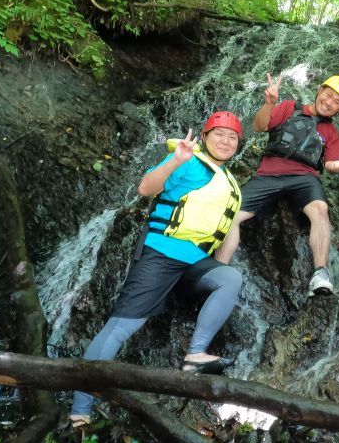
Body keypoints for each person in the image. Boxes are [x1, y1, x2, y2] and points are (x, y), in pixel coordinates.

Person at [70, 111, 246, 426]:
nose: (226, 141)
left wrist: (214, 280)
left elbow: (230, 235)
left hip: (195, 264)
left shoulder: (233, 185)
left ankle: (196, 356)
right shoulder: (189, 161)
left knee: (230, 277)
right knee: (121, 327)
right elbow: (146, 188)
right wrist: (175, 160)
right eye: (219, 134)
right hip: (161, 253)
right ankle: (80, 409)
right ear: (205, 137)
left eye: (232, 137)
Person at [216, 72, 339, 296]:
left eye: (336, 102)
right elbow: (260, 126)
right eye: (327, 95)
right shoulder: (289, 107)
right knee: (231, 215)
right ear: (319, 91)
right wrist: (269, 103)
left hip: (304, 178)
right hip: (268, 174)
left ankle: (320, 272)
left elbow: (330, 165)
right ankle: (218, 269)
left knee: (320, 209)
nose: (329, 102)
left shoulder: (332, 132)